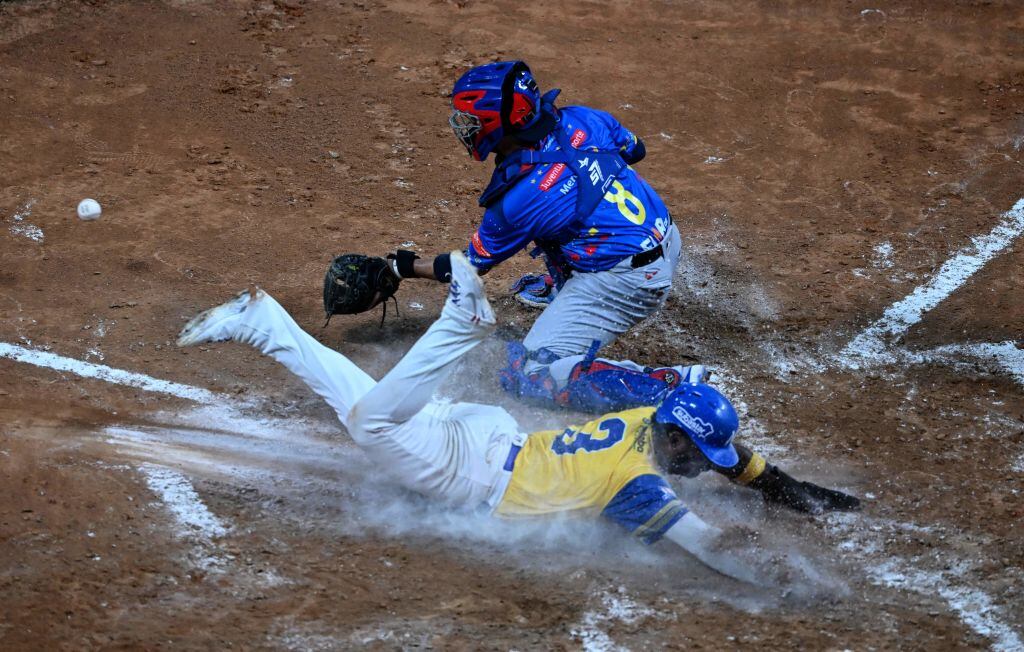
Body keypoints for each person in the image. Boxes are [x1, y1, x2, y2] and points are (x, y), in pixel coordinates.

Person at [177, 252, 860, 581]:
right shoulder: (635, 485)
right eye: (695, 458)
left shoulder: (651, 417)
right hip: (464, 472)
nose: (700, 471)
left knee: (367, 406)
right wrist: (793, 583)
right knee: (372, 421)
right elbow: (710, 547)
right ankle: (458, 324)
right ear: (676, 436)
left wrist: (803, 497)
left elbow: (743, 465)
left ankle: (263, 323)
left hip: (484, 437)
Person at [382, 60, 705, 414]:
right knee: (574, 217)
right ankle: (566, 282)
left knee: (530, 374)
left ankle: (667, 386)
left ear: (495, 123)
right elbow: (635, 150)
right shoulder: (583, 117)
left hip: (629, 282)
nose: (464, 126)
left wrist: (403, 267)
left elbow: (465, 268)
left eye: (470, 119)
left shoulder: (519, 198)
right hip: (667, 237)